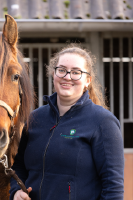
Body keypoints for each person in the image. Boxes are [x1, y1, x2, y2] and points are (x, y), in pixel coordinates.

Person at [9, 44, 124, 200]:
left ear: (87, 80)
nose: (67, 76)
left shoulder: (103, 122)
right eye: (62, 70)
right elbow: (19, 167)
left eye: (76, 72)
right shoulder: (35, 119)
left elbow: (113, 186)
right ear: (53, 74)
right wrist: (16, 190)